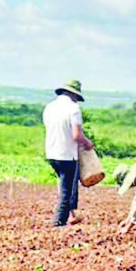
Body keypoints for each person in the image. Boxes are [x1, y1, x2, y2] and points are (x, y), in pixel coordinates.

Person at [43, 79, 94, 226]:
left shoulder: (49, 107)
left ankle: (72, 215)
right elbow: (77, 135)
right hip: (67, 154)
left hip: (51, 153)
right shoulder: (73, 109)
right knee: (67, 192)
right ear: (74, 95)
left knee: (65, 185)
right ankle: (58, 222)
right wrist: (88, 143)